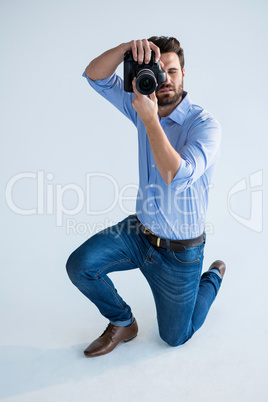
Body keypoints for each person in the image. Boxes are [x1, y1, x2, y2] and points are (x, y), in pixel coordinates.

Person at [66, 36, 226, 358]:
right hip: (138, 234)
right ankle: (123, 322)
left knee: (175, 338)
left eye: (172, 70)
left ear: (184, 74)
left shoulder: (204, 125)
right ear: (144, 71)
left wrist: (150, 118)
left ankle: (211, 277)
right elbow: (93, 75)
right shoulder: (142, 98)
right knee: (80, 266)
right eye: (158, 70)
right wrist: (127, 49)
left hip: (180, 254)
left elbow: (175, 176)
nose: (165, 79)